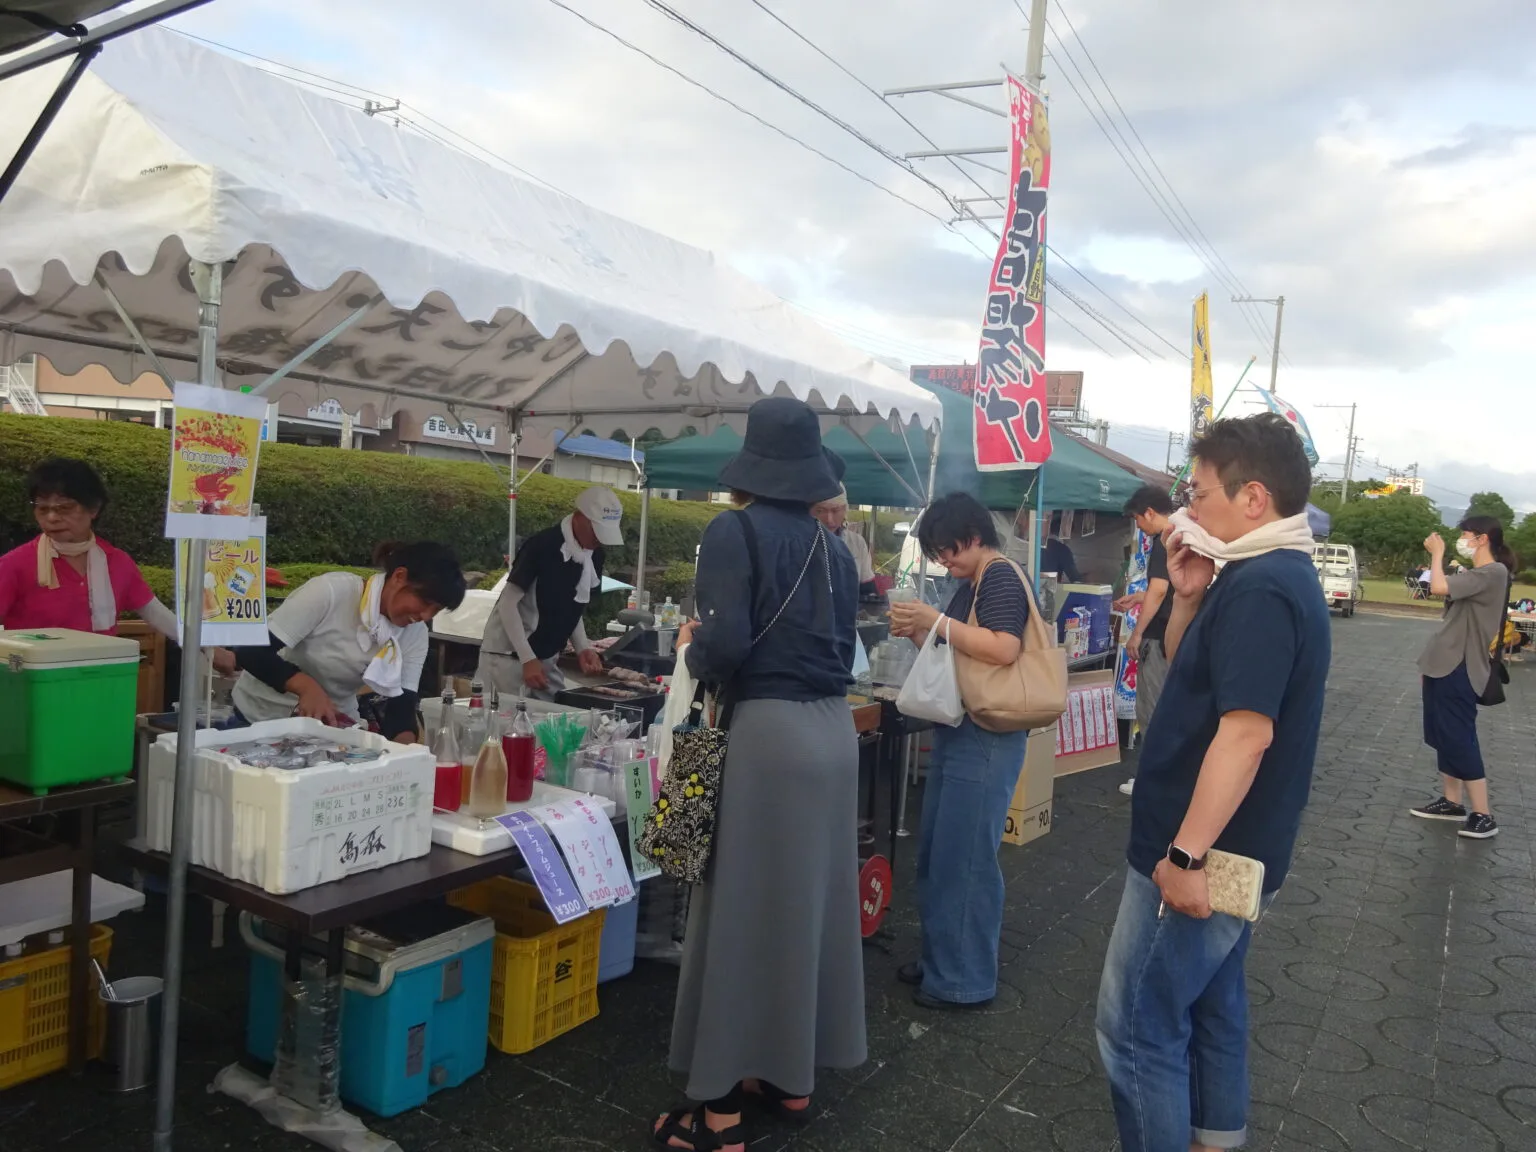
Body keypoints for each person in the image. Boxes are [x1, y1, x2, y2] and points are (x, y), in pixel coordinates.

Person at [1096, 414, 1330, 1152]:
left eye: (1198, 494)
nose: (1188, 510)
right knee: (1214, 1006)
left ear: (1253, 496)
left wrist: (1187, 856)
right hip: (1239, 851)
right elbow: (1197, 685)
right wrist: (1189, 598)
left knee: (1137, 1028)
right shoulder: (1259, 575)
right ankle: (1216, 1139)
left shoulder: (1264, 587)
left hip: (1206, 853)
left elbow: (1246, 731)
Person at [653, 397, 864, 1152]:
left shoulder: (731, 530)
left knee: (736, 914)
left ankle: (716, 1113)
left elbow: (728, 642)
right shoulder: (836, 547)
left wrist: (693, 650)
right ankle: (788, 1076)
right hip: (834, 733)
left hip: (768, 736)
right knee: (806, 910)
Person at [888, 491, 1032, 1011]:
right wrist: (919, 630)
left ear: (972, 536)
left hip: (986, 733)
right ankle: (942, 960)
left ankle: (963, 979)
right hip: (964, 727)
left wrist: (933, 619)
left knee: (965, 859)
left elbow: (1003, 647)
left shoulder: (999, 575)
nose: (944, 561)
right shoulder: (974, 581)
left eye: (947, 550)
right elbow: (959, 650)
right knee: (941, 854)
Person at [0, 457, 236, 671]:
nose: (51, 517)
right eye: (43, 509)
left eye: (64, 507)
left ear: (93, 508)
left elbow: (156, 614)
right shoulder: (14, 565)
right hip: (33, 687)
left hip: (103, 678)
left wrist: (208, 648)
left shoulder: (117, 562)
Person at [230, 541, 465, 743]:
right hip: (256, 720)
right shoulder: (331, 593)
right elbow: (252, 651)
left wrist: (405, 750)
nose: (425, 616)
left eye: (436, 610)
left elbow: (400, 707)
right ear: (399, 577)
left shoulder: (415, 634)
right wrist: (306, 687)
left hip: (330, 732)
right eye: (424, 602)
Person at [1409, 516, 1516, 839]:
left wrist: (1437, 554)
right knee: (1442, 734)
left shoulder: (1493, 573)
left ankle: (1484, 814)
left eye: (1466, 535)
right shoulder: (1477, 574)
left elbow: (1438, 586)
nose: (1462, 539)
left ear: (1482, 539)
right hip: (1442, 663)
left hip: (1461, 667)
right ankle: (1452, 802)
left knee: (1459, 736)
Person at [477, 485, 623, 701]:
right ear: (578, 517)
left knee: (552, 723)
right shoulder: (542, 545)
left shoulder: (594, 555)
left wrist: (583, 648)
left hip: (546, 656)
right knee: (505, 728)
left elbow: (573, 606)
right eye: (596, 530)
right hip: (508, 655)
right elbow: (508, 604)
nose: (599, 540)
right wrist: (527, 658)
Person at [1114, 485, 1175, 797]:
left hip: (1159, 637)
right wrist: (1139, 596)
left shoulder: (1165, 540)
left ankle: (1152, 780)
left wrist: (1136, 633)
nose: (1139, 526)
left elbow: (1162, 589)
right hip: (1173, 635)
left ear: (1150, 512)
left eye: (1138, 519)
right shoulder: (1182, 536)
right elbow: (1164, 591)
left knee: (1152, 709)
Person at [812, 485, 878, 598]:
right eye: (820, 511)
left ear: (845, 509)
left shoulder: (857, 543)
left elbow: (867, 588)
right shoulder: (799, 544)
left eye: (835, 510)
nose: (829, 519)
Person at [1042, 513, 1083, 582]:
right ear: (1067, 533)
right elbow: (1074, 578)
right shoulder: (1063, 550)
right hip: (1051, 589)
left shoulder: (1040, 544)